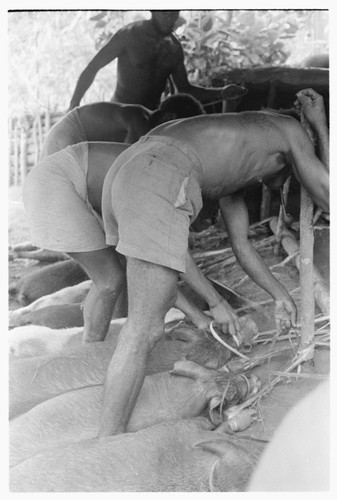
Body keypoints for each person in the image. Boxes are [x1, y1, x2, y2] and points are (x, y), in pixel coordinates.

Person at [99, 88, 329, 436]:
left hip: (128, 171)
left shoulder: (234, 164)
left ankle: (109, 430)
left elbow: (242, 246)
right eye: (291, 177)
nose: (283, 185)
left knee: (146, 325)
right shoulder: (290, 128)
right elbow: (328, 194)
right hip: (159, 171)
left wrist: (280, 295)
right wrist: (321, 127)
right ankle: (108, 443)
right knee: (144, 330)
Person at [68, 10, 246, 111]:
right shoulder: (130, 35)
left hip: (152, 117)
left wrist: (221, 92)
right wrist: (74, 104)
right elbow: (93, 67)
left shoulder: (174, 48)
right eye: (165, 14)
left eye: (174, 14)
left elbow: (184, 89)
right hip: (120, 115)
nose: (170, 20)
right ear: (153, 11)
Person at [41, 93, 205, 159]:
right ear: (170, 118)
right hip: (64, 137)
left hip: (71, 140)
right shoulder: (138, 120)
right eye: (179, 130)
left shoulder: (145, 120)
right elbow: (125, 166)